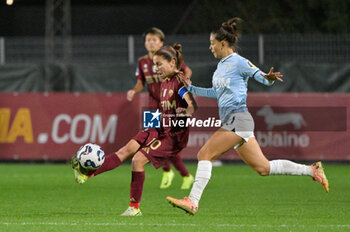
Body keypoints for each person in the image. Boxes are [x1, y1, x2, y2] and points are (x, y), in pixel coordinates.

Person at [166, 17, 329, 215]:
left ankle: (192, 201)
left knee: (204, 154)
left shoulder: (238, 62)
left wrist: (268, 79)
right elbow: (216, 93)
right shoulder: (220, 67)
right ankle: (312, 170)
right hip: (233, 121)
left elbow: (262, 77)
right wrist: (191, 87)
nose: (210, 48)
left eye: (212, 44)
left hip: (239, 118)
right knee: (264, 168)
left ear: (223, 44)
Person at [72, 44, 197, 216]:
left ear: (172, 62)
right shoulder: (164, 82)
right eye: (155, 64)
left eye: (159, 64)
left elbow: (192, 104)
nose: (156, 68)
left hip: (174, 135)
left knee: (137, 160)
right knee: (126, 150)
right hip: (159, 125)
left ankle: (134, 208)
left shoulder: (179, 82)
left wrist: (185, 112)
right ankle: (88, 174)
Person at [126, 27, 194, 190]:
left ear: (161, 42)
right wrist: (133, 91)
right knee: (151, 142)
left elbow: (186, 70)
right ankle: (168, 171)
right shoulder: (142, 62)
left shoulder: (168, 57)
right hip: (152, 108)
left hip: (170, 107)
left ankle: (185, 175)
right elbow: (141, 83)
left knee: (168, 144)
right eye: (148, 40)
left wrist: (185, 81)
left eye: (154, 40)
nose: (150, 43)